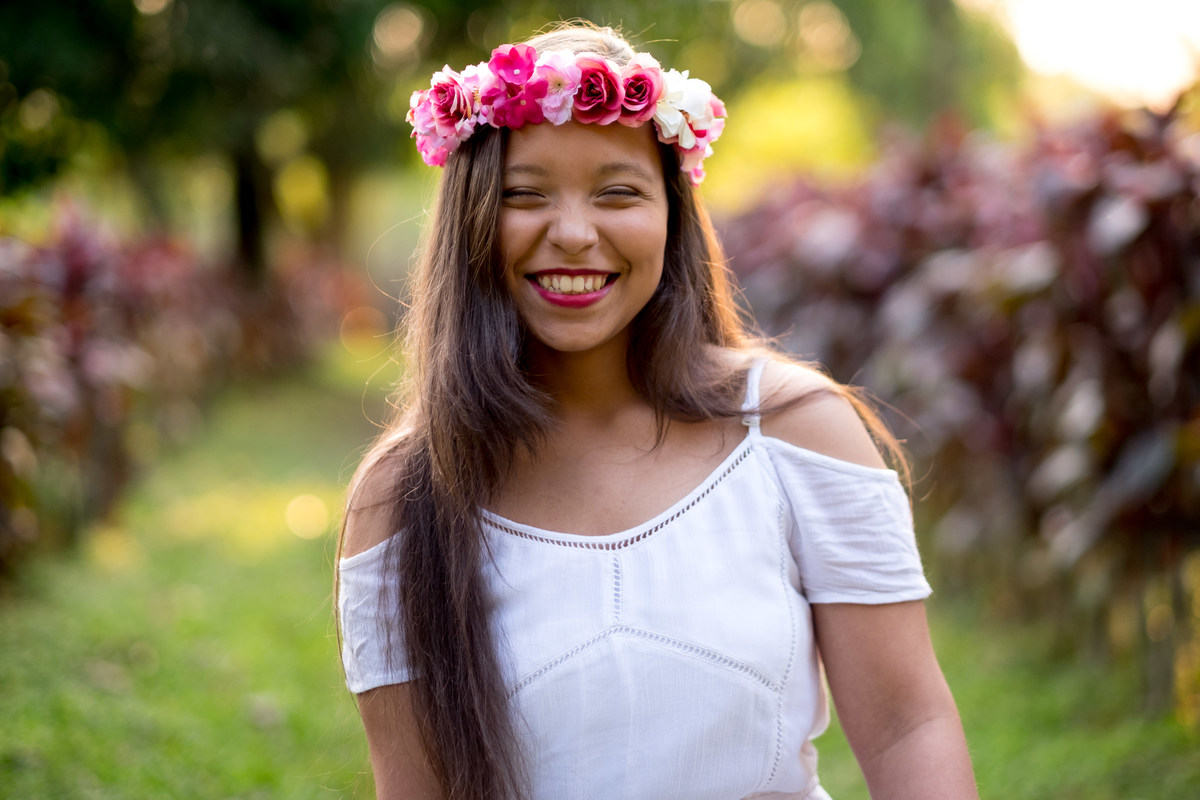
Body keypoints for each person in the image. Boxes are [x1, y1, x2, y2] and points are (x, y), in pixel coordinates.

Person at [336, 21, 977, 800]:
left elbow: (910, 727)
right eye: (524, 194)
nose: (573, 234)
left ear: (672, 215)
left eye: (617, 192)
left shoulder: (796, 430)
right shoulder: (403, 498)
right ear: (469, 221)